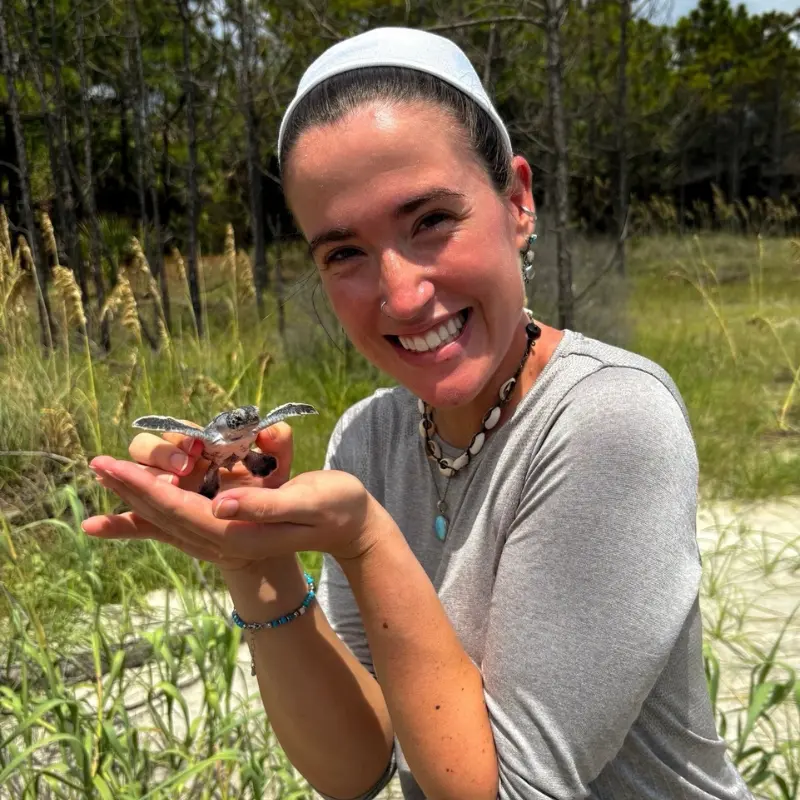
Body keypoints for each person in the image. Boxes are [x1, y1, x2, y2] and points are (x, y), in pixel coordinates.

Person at [82, 27, 753, 800]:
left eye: (431, 219)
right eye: (344, 253)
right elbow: (359, 767)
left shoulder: (610, 418)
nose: (401, 296)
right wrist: (254, 557)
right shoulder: (368, 437)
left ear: (517, 201)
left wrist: (368, 543)